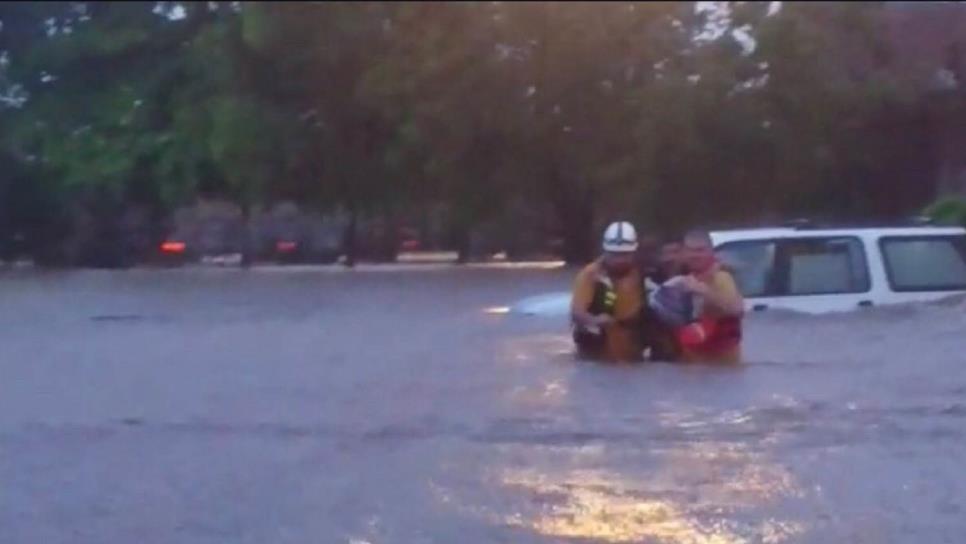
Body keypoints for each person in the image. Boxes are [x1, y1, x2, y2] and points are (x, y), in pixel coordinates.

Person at [571, 221, 645, 362]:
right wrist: (595, 320)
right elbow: (577, 313)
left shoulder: (642, 273)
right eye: (614, 254)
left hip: (631, 351)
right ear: (605, 251)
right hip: (597, 353)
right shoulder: (590, 275)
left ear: (634, 252)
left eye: (624, 254)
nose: (619, 260)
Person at [676, 229, 745, 364]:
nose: (694, 255)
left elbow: (737, 309)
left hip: (722, 369)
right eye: (690, 250)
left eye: (700, 250)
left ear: (711, 252)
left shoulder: (721, 277)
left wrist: (704, 291)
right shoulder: (682, 278)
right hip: (692, 369)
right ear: (683, 253)